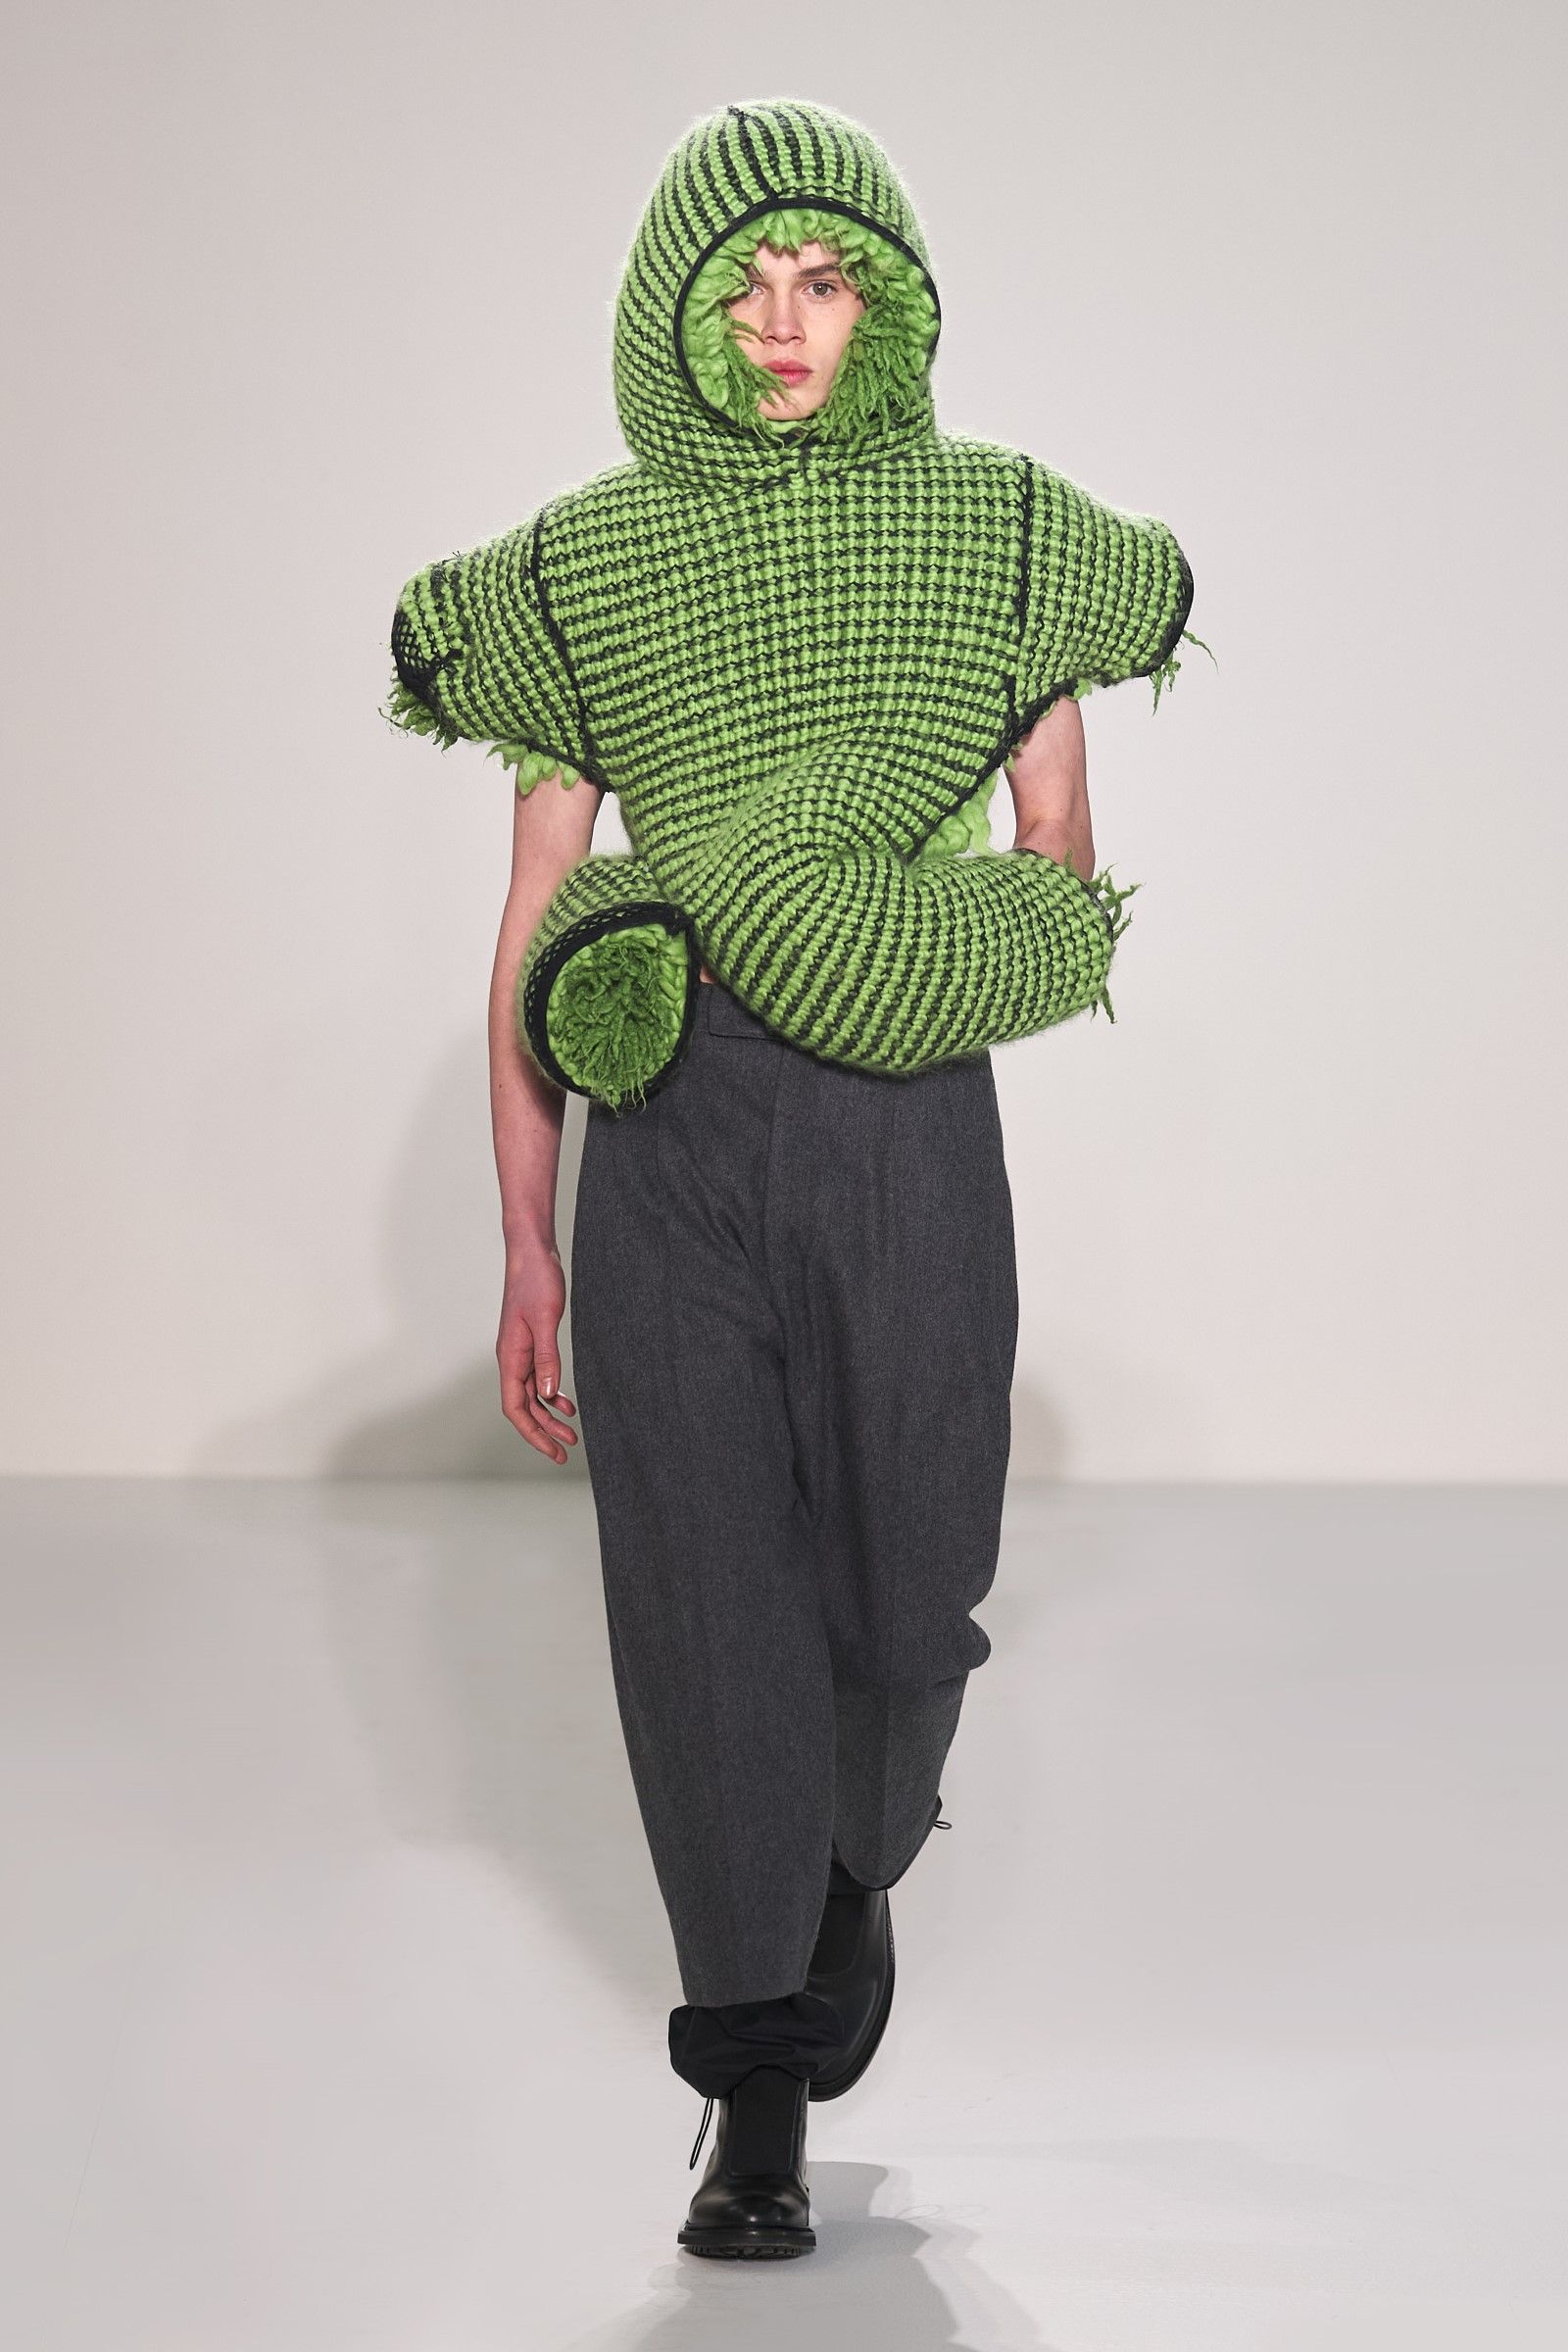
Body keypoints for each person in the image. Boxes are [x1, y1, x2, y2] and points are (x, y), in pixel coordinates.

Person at [387, 97, 1197, 2262]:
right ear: (666, 311)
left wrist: (869, 946)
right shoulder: (585, 572)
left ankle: (848, 1863)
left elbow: (1058, 871)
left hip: (902, 1116)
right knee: (698, 1596)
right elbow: (538, 912)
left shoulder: (999, 538)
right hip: (668, 1116)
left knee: (906, 1588)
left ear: (887, 302)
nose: (778, 323)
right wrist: (525, 1237)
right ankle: (752, 2088)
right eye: (735, 286)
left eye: (821, 278)